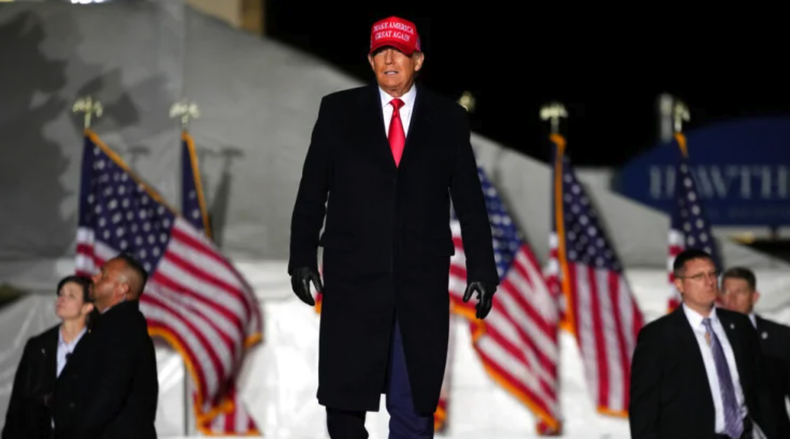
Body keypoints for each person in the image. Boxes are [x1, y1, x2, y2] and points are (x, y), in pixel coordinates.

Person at [288, 15, 499, 439]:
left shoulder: (449, 119)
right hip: (352, 282)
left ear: (417, 60)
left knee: (414, 407)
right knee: (344, 409)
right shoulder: (338, 111)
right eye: (380, 52)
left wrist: (482, 268)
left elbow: (470, 202)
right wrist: (301, 257)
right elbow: (312, 192)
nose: (388, 60)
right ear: (370, 61)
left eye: (398, 52)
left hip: (419, 286)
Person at [629, 248, 776, 439]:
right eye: (698, 276)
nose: (709, 282)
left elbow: (761, 391)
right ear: (679, 284)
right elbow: (643, 409)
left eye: (712, 274)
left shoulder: (739, 325)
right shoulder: (658, 336)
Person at [52, 254, 158, 439]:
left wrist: (77, 433)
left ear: (123, 288)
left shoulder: (124, 328)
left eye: (104, 275)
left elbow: (109, 390)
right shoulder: (108, 326)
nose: (94, 277)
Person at [2, 275, 94, 439]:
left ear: (87, 306)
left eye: (71, 295)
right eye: (61, 294)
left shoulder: (99, 346)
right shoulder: (38, 345)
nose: (62, 299)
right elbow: (19, 400)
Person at [721, 266, 790, 439]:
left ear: (754, 296)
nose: (732, 299)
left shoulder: (780, 336)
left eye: (739, 292)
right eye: (727, 291)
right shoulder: (707, 336)